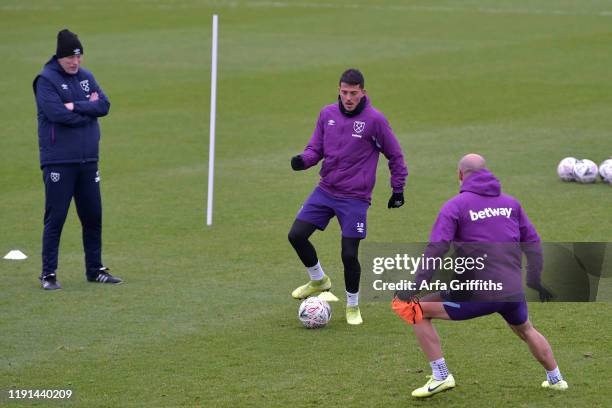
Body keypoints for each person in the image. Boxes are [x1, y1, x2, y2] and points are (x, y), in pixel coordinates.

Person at [391, 153, 567, 397]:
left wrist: (415, 286)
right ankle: (556, 378)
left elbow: (437, 247)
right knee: (525, 328)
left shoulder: (456, 205)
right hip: (511, 289)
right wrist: (534, 280)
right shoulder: (511, 203)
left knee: (415, 310)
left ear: (460, 175)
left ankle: (441, 375)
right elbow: (533, 243)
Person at [288, 69, 408, 325]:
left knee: (349, 254)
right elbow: (316, 148)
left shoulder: (375, 120)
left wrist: (398, 189)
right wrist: (303, 161)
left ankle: (352, 306)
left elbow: (395, 155)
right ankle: (319, 280)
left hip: (355, 197)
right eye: (344, 92)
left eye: (354, 93)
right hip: (326, 190)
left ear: (363, 92)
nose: (348, 97)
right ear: (339, 90)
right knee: (296, 235)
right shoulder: (327, 114)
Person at [33, 29, 121, 290]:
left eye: (79, 57)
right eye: (71, 58)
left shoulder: (86, 77)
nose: (76, 62)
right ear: (60, 57)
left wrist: (76, 105)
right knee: (56, 217)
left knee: (93, 216)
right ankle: (48, 274)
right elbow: (58, 115)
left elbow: (104, 105)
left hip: (88, 160)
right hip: (59, 161)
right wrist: (87, 109)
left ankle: (95, 269)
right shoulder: (45, 80)